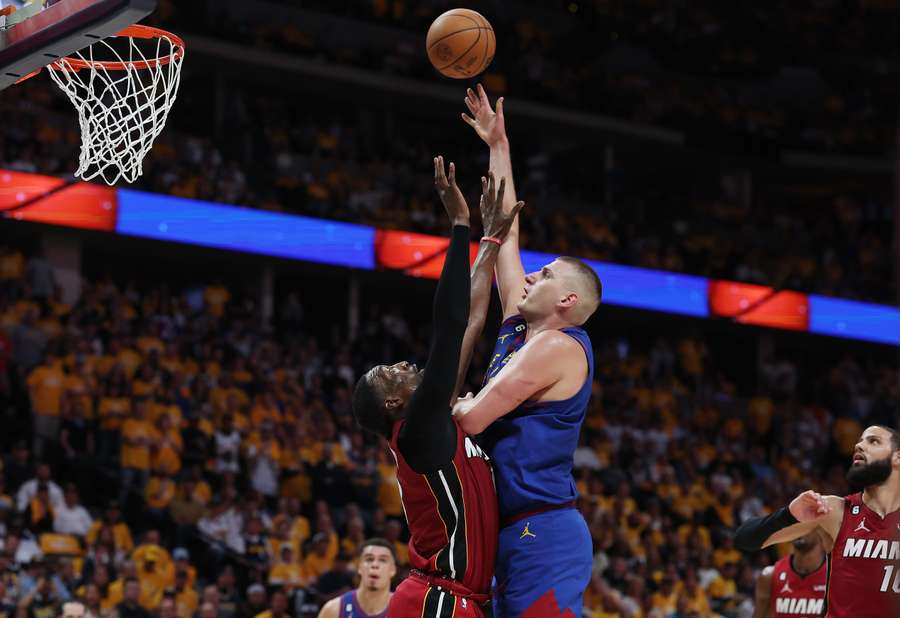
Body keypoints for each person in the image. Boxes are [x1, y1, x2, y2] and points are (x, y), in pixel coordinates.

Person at [454, 84, 602, 617]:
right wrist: (499, 146)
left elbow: (470, 420)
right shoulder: (523, 326)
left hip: (545, 529)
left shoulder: (560, 347)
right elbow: (506, 235)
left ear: (566, 299)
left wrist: (454, 405)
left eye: (545, 274)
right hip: (513, 529)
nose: (531, 274)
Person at [352, 156, 520, 618]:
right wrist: (462, 226)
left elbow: (471, 323)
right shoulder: (416, 431)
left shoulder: (435, 421)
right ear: (393, 402)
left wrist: (491, 240)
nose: (406, 364)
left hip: (452, 600)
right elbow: (449, 325)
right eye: (393, 372)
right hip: (437, 601)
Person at [735, 425, 900, 618]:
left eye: (873, 441)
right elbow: (744, 539)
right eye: (860, 440)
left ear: (897, 458)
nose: (859, 445)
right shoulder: (835, 511)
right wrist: (788, 514)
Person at [752, 531, 826, 618]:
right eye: (794, 523)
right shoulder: (769, 576)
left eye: (805, 523)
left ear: (821, 530)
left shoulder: (836, 577)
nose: (799, 528)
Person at [317, 540, 397, 618]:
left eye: (382, 560)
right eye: (369, 559)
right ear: (359, 567)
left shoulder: (403, 609)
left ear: (393, 570)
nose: (375, 565)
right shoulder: (333, 609)